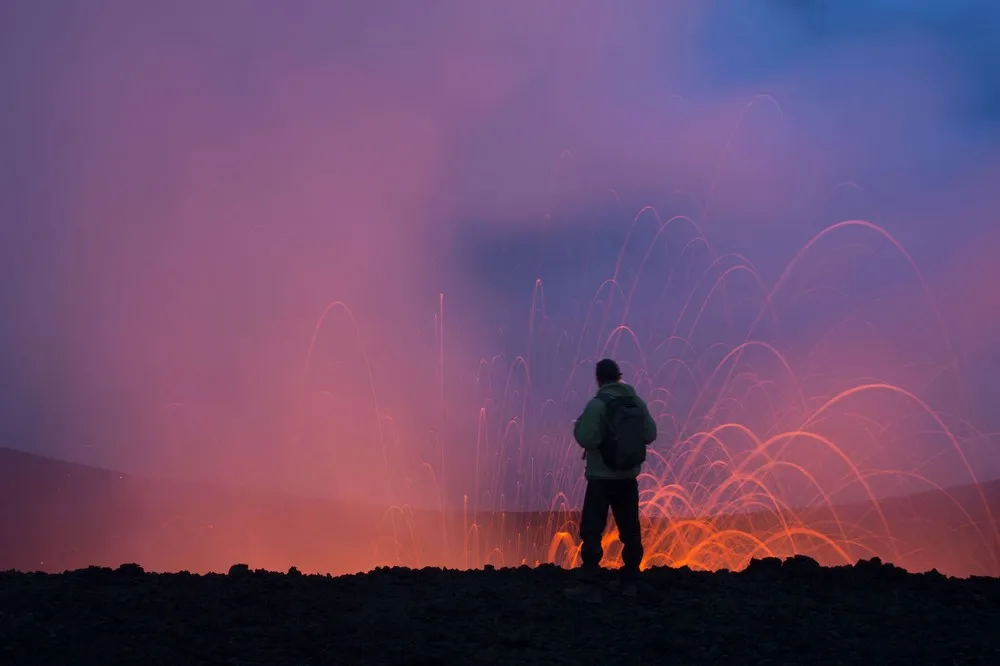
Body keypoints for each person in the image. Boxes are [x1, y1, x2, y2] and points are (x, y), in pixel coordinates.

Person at [564, 358, 657, 603]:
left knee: (593, 530)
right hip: (628, 478)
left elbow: (587, 439)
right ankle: (631, 581)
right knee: (630, 530)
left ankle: (590, 584)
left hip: (600, 478)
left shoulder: (597, 405)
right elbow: (651, 434)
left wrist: (579, 428)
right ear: (618, 376)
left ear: (599, 379)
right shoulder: (637, 402)